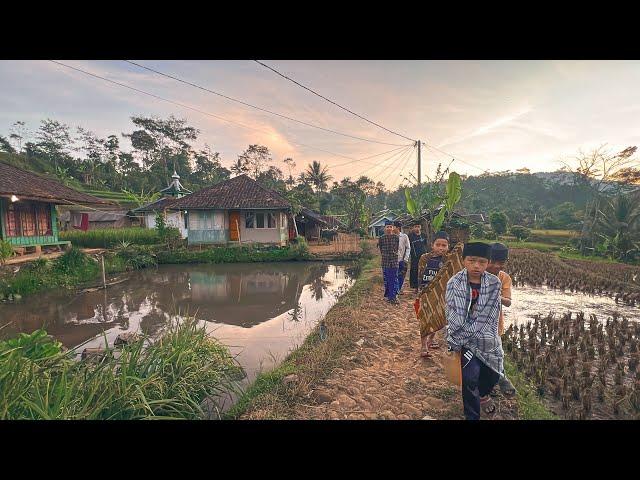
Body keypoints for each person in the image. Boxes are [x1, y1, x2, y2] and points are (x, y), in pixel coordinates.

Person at [445, 242, 503, 420]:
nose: (476, 266)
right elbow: (451, 312)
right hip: (463, 339)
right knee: (470, 379)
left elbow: (492, 313)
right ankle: (472, 416)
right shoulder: (454, 283)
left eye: (482, 262)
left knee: (493, 375)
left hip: (486, 338)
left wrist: (479, 332)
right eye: (471, 261)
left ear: (487, 263)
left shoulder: (494, 283)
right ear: (464, 261)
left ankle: (483, 394)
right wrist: (463, 335)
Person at [486, 242, 517, 397]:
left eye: (501, 263)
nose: (497, 266)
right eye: (493, 262)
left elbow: (508, 301)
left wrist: (495, 296)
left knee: (496, 353)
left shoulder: (504, 278)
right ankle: (499, 381)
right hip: (473, 323)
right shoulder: (476, 273)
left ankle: (498, 380)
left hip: (494, 323)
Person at [416, 231, 450, 358]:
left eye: (444, 245)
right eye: (438, 244)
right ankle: (424, 345)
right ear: (432, 245)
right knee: (425, 320)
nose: (441, 248)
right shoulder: (425, 258)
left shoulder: (449, 260)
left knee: (438, 319)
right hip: (426, 293)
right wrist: (420, 292)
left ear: (448, 246)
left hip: (442, 295)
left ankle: (431, 338)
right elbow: (420, 274)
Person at [378, 221, 400, 305]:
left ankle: (393, 297)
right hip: (385, 261)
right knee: (387, 279)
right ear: (385, 228)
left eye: (391, 227)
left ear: (393, 228)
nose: (389, 228)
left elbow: (397, 248)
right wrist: (384, 255)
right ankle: (388, 296)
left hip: (394, 261)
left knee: (394, 279)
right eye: (387, 227)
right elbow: (381, 249)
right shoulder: (382, 238)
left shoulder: (396, 237)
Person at [408, 222, 427, 293]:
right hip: (414, 257)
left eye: (418, 226)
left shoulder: (424, 235)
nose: (417, 228)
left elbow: (425, 245)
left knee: (423, 271)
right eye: (415, 226)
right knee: (415, 271)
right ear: (413, 228)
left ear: (420, 227)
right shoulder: (410, 236)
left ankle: (423, 286)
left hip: (424, 257)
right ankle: (415, 287)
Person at [394, 220, 411, 295]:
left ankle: (398, 289)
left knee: (401, 276)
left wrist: (406, 259)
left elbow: (408, 248)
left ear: (397, 228)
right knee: (394, 275)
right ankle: (395, 289)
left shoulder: (404, 237)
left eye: (393, 227)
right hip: (393, 260)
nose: (392, 228)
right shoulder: (391, 236)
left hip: (401, 260)